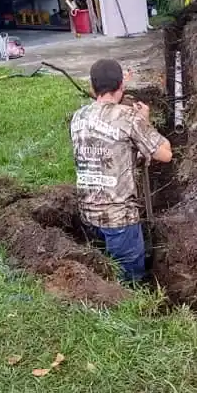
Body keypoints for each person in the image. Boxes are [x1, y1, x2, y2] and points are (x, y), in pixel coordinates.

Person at [70, 59, 172, 283]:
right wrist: (145, 122)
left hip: (88, 215)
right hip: (119, 220)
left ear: (92, 87)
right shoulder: (128, 117)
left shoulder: (78, 117)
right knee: (131, 281)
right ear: (121, 86)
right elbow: (165, 154)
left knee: (103, 273)